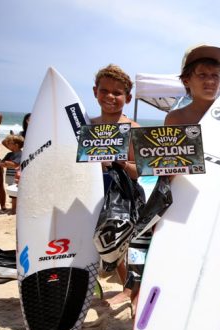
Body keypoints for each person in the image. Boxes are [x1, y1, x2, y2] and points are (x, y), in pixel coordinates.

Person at [90, 64, 140, 306]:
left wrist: (118, 161)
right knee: (98, 240)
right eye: (104, 90)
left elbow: (138, 172)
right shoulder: (86, 127)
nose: (110, 97)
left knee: (121, 243)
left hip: (123, 194)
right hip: (92, 191)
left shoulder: (133, 129)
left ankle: (131, 291)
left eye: (117, 93)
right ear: (95, 92)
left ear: (127, 98)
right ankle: (118, 285)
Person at [0, 134, 24, 214]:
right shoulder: (9, 154)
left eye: (9, 142)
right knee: (12, 192)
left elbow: (14, 164)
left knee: (15, 192)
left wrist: (5, 163)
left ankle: (14, 209)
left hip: (17, 176)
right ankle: (15, 208)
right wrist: (5, 163)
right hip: (9, 175)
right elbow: (2, 163)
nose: (7, 144)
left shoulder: (20, 154)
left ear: (16, 145)